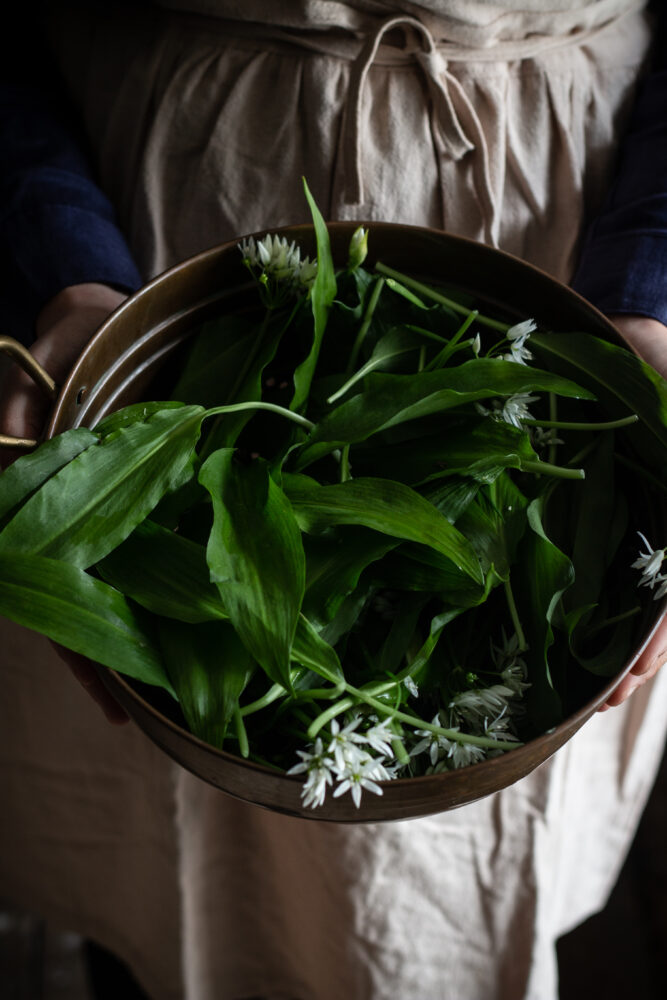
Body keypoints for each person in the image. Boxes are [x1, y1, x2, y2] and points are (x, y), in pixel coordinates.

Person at [1, 2, 666, 998]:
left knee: (478, 827)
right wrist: (68, 274)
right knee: (165, 798)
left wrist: (649, 302)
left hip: (565, 240)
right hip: (164, 242)